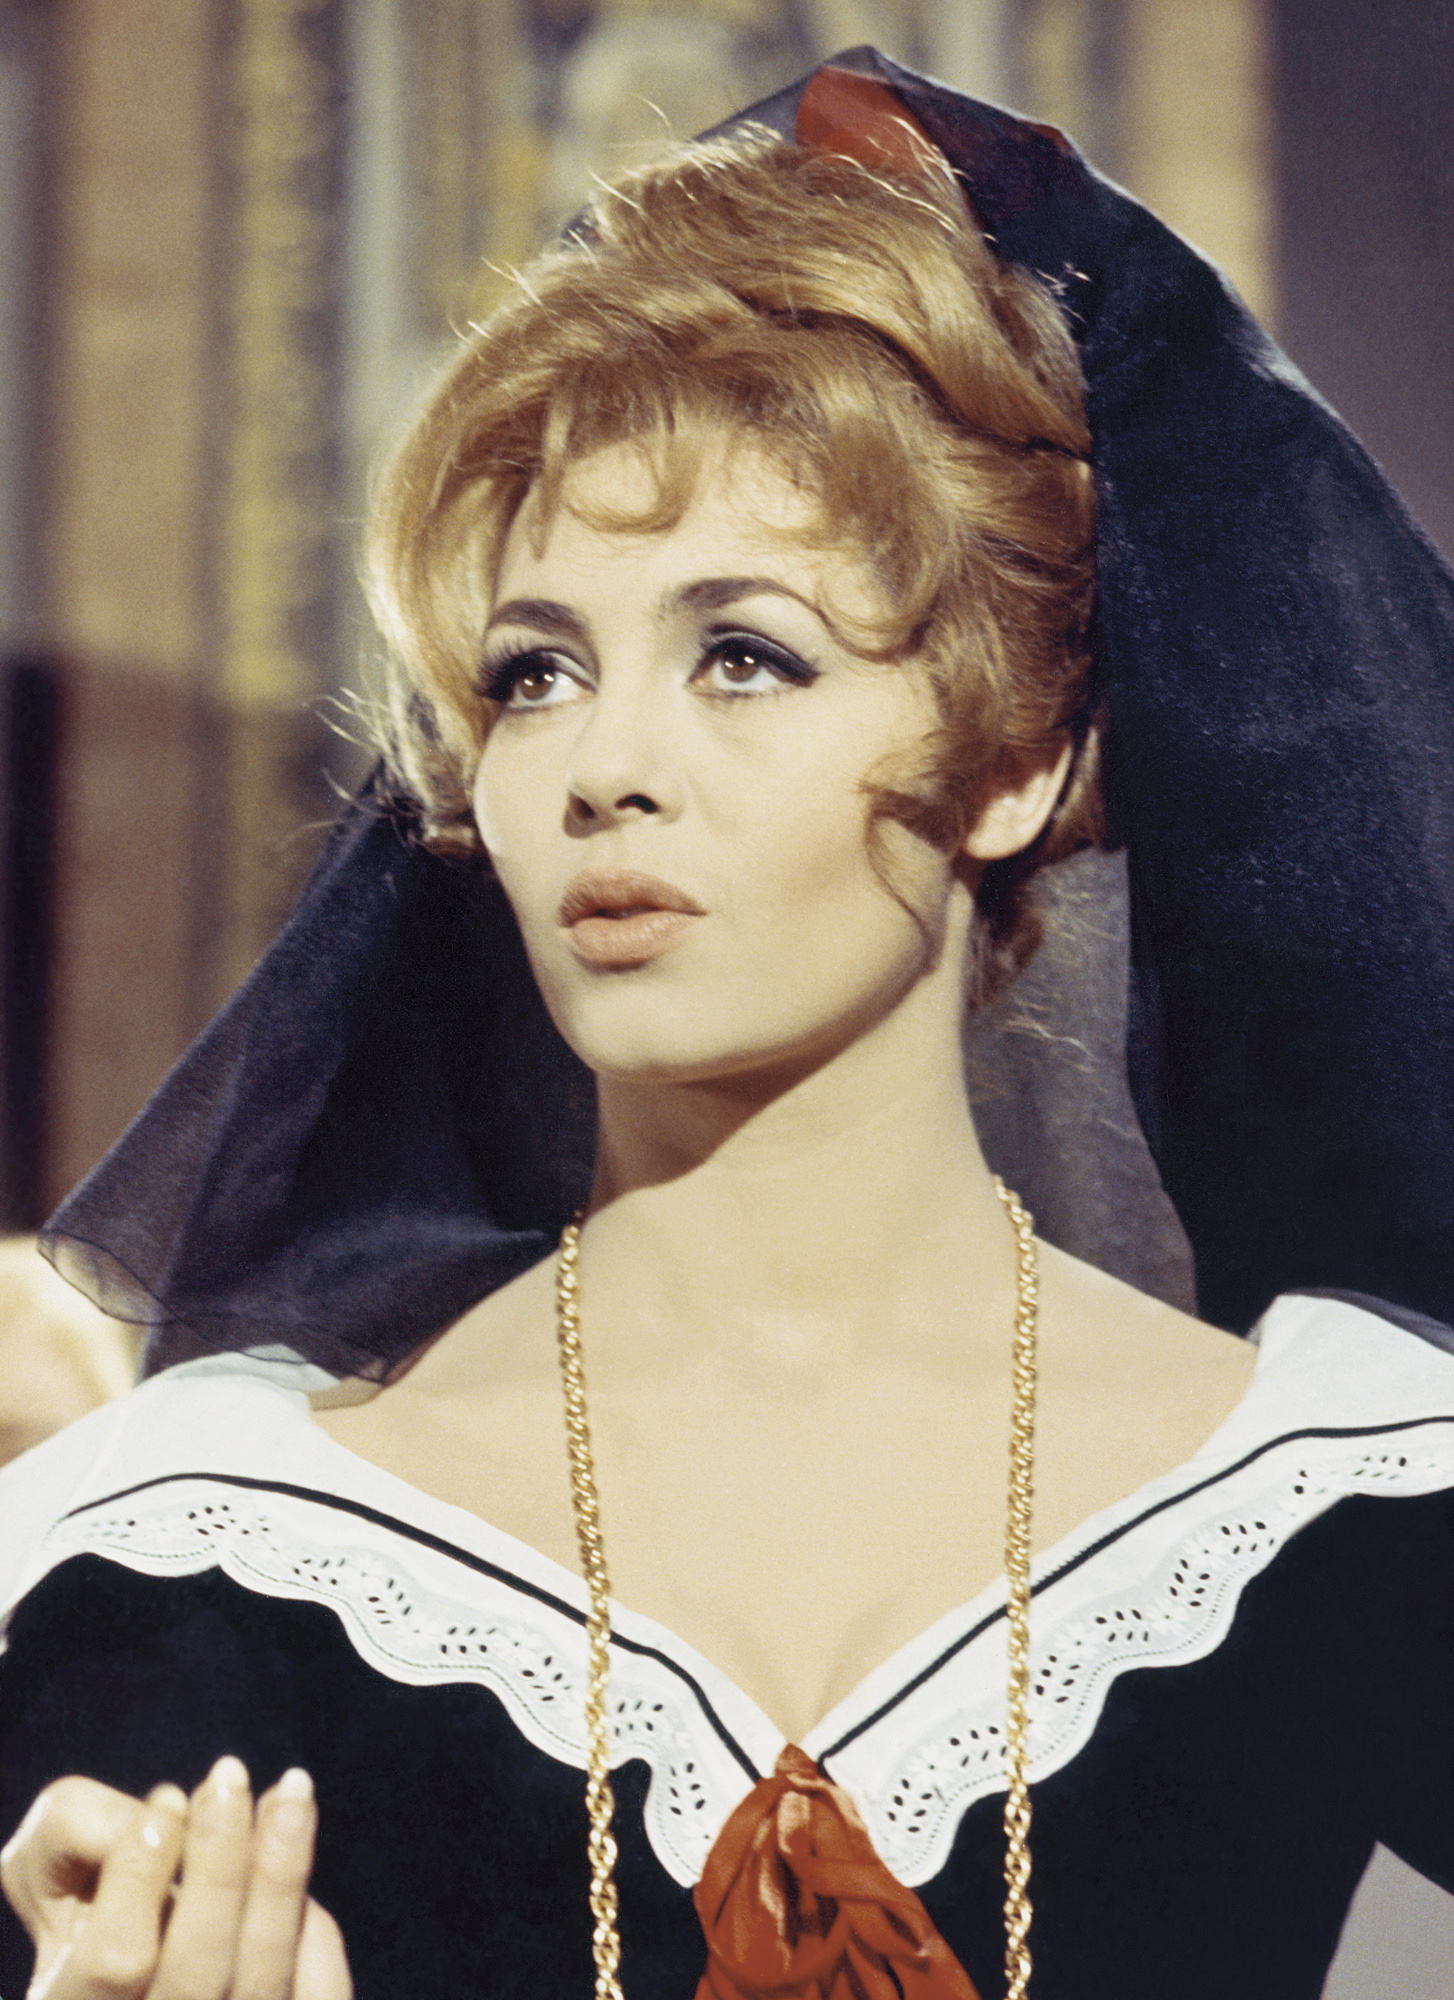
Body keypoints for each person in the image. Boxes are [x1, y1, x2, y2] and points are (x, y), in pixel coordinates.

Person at [2, 49, 1453, 2000]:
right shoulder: (178, 1569)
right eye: (533, 675)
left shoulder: (1347, 1503)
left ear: (1016, 760)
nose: (604, 765)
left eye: (744, 655)